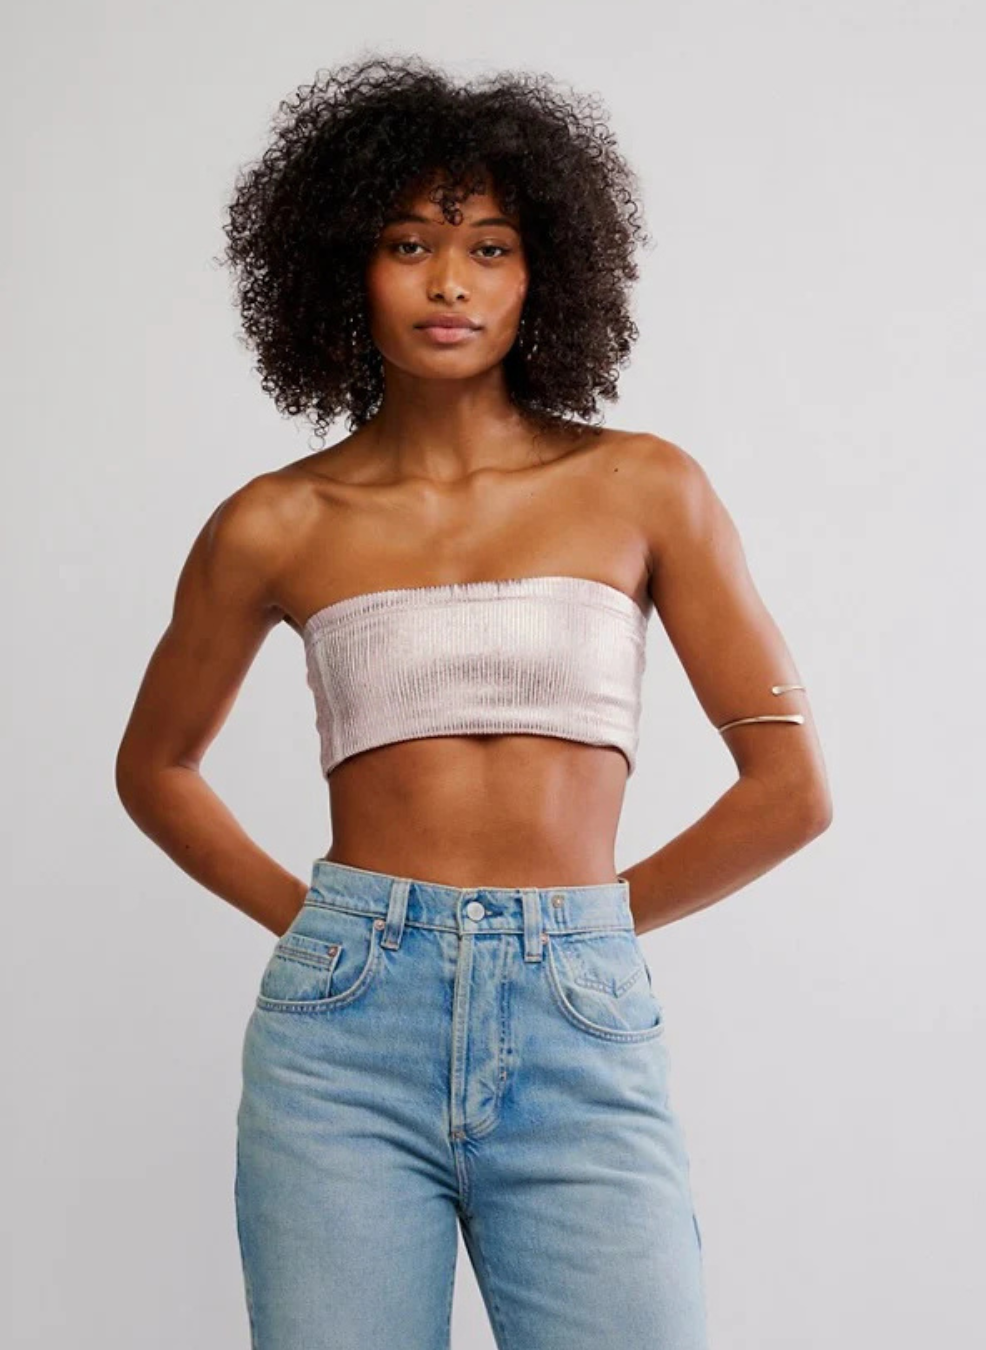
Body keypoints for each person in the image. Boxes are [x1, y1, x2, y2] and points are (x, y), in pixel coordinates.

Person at [115, 53, 832, 1350]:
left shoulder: (644, 488)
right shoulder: (277, 522)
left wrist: (585, 933)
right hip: (343, 1046)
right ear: (346, 268)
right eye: (410, 245)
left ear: (543, 272)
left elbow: (791, 789)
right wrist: (326, 929)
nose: (450, 282)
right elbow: (155, 767)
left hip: (581, 1020)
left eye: (490, 248)